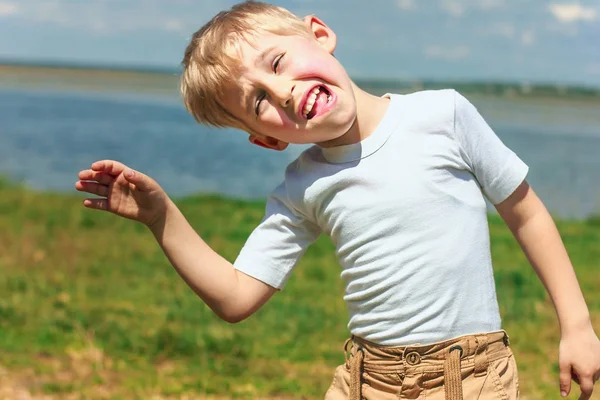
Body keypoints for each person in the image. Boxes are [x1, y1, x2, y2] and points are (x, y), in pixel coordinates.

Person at [75, 1, 600, 399]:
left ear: (319, 34)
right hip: (365, 381)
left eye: (277, 62)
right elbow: (235, 297)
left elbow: (524, 210)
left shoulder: (444, 115)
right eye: (258, 100)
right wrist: (160, 215)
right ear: (265, 138)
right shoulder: (302, 187)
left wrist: (576, 326)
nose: (280, 91)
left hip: (472, 379)